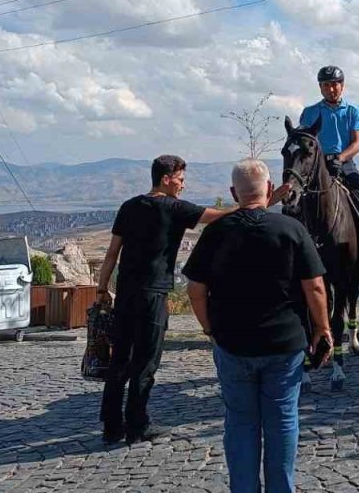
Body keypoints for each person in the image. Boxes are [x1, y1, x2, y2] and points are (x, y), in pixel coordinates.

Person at [183, 159, 332, 493]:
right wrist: (323, 328)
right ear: (268, 190)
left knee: (240, 424)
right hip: (285, 343)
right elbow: (316, 287)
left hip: (233, 343)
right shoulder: (291, 230)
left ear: (234, 193)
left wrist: (209, 329)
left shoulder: (216, 232)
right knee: (282, 421)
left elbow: (195, 290)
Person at [95, 155, 240, 445]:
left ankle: (111, 425)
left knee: (120, 360)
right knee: (146, 361)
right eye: (181, 180)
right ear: (166, 178)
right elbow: (221, 216)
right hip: (153, 294)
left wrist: (101, 291)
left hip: (125, 294)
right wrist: (261, 200)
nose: (183, 186)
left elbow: (112, 254)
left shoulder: (129, 206)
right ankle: (138, 424)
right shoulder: (174, 208)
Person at [298, 65, 359, 280]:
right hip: (316, 167)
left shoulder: (352, 111)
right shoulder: (310, 112)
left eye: (335, 85)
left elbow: (357, 143)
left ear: (342, 86)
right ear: (320, 88)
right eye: (326, 85)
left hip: (345, 164)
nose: (331, 89)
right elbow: (304, 141)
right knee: (292, 206)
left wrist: (340, 159)